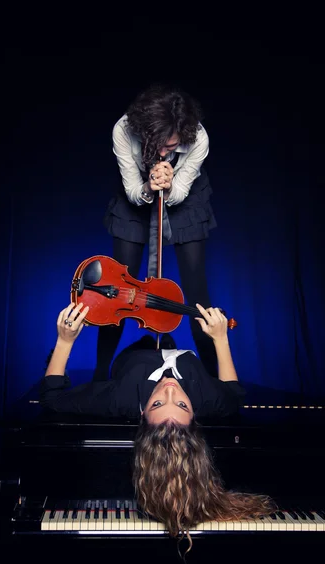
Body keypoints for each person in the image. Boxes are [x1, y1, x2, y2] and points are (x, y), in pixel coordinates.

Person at [40, 302, 275, 552]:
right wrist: (220, 338)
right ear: (195, 413)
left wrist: (64, 341)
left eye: (159, 403)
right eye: (183, 405)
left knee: (124, 346)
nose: (170, 388)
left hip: (133, 357)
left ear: (142, 412)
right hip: (181, 352)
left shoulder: (122, 396)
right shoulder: (207, 398)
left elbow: (52, 397)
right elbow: (234, 394)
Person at [96, 83, 218, 382]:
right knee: (117, 291)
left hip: (186, 199)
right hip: (137, 192)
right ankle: (99, 379)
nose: (165, 152)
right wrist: (150, 186)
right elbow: (132, 190)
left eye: (172, 145)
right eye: (158, 145)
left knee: (197, 293)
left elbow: (179, 193)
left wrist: (170, 185)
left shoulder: (199, 137)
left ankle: (217, 379)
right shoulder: (123, 130)